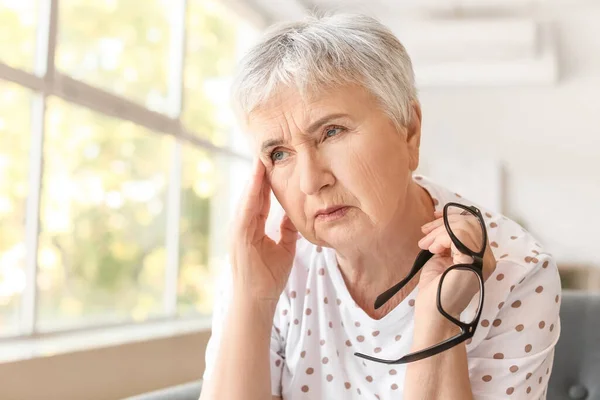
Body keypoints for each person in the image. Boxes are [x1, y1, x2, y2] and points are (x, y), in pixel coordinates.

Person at [199, 12, 561, 400]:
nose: (310, 181)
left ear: (409, 130)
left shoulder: (518, 273)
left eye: (331, 131)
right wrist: (253, 299)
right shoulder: (261, 263)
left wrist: (439, 323)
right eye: (279, 153)